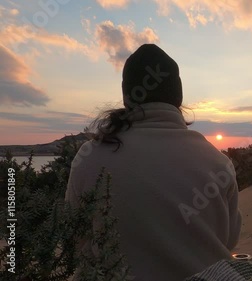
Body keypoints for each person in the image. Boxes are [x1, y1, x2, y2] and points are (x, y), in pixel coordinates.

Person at [65, 44, 242, 281]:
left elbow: (76, 236)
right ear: (177, 96)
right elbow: (228, 240)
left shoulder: (89, 158)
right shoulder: (219, 162)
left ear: (127, 96)